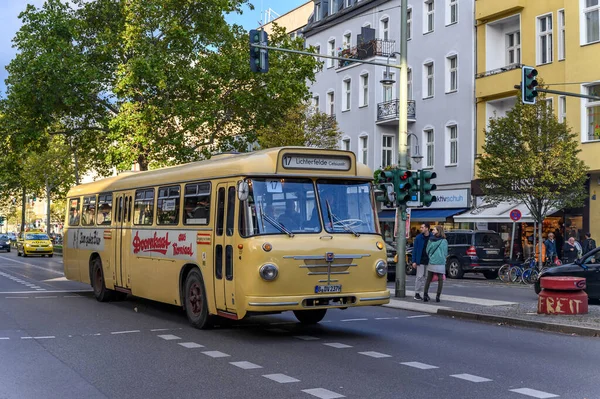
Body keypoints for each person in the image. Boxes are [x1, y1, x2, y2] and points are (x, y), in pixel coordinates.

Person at [423, 225, 448, 303]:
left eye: (434, 230)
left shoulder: (431, 240)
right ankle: (438, 296)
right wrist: (443, 258)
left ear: (438, 231)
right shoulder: (444, 241)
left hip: (432, 261)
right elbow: (445, 252)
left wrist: (431, 256)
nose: (432, 231)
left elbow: (427, 250)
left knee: (429, 279)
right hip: (440, 262)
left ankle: (425, 294)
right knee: (440, 280)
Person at [411, 223, 430, 301]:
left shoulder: (432, 237)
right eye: (421, 227)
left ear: (427, 228)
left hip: (429, 260)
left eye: (422, 227)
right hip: (420, 260)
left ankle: (425, 293)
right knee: (419, 277)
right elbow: (414, 250)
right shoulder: (418, 237)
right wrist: (414, 261)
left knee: (427, 278)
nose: (421, 229)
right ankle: (417, 293)